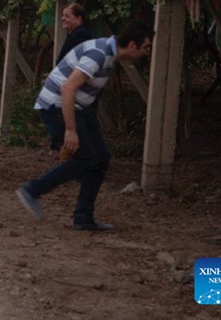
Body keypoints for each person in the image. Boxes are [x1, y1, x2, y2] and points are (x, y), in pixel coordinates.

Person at [16, 21, 153, 232]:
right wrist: (70, 131)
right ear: (132, 45)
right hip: (58, 106)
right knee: (87, 158)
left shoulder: (108, 53)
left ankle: (83, 217)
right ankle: (32, 190)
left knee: (101, 158)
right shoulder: (98, 53)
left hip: (78, 109)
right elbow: (68, 88)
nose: (146, 53)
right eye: (146, 47)